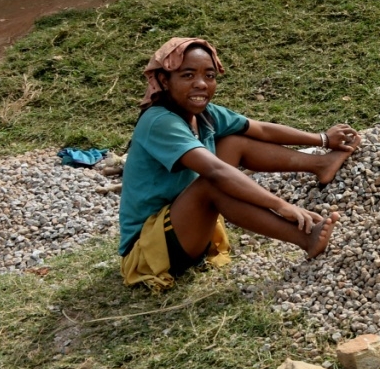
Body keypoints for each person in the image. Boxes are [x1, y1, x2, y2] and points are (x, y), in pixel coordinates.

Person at [119, 37, 360, 289]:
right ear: (164, 81)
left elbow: (260, 130)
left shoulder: (204, 116)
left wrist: (322, 139)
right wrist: (281, 205)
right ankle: (304, 237)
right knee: (212, 183)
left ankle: (319, 165)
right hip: (149, 251)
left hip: (187, 229)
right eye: (188, 75)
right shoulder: (159, 121)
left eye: (209, 76)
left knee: (234, 142)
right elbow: (215, 171)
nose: (201, 84)